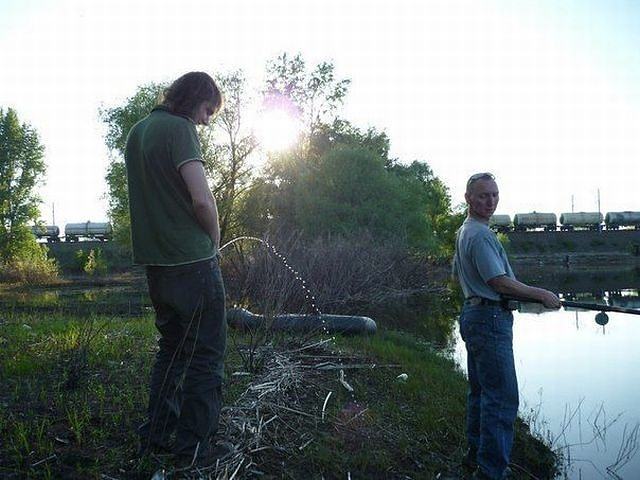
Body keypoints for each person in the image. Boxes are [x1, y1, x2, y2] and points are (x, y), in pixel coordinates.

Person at [124, 71, 228, 465]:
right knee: (206, 356)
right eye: (206, 111)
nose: (205, 121)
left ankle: (156, 434)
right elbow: (202, 201)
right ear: (194, 100)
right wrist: (214, 242)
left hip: (157, 266)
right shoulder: (180, 128)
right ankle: (195, 451)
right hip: (193, 264)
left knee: (172, 350)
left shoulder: (138, 131)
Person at [453, 172, 561, 480]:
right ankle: (491, 472)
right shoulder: (481, 235)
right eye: (483, 195)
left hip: (474, 316)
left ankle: (475, 459)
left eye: (494, 195)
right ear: (468, 198)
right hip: (489, 320)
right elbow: (498, 283)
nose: (490, 201)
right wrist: (541, 294)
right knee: (501, 400)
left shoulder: (466, 231)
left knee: (480, 393)